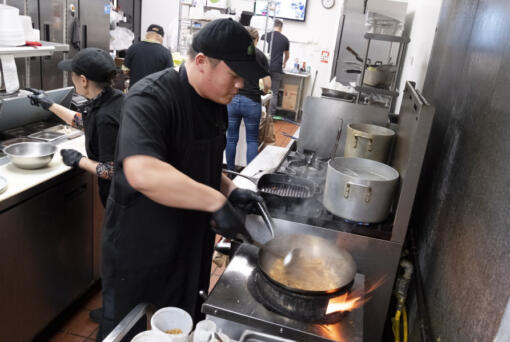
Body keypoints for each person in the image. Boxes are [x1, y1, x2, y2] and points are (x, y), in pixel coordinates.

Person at [96, 19, 268, 341]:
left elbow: (196, 163)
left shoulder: (215, 102)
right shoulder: (149, 98)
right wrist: (215, 201)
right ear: (202, 61)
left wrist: (230, 190)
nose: (241, 85)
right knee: (129, 329)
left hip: (188, 243)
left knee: (182, 324)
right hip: (142, 246)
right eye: (235, 75)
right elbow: (143, 171)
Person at [27, 47, 123, 208]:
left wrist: (79, 160)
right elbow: (86, 121)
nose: (72, 78)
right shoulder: (114, 97)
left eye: (72, 74)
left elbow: (111, 171)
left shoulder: (105, 117)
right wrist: (49, 104)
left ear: (83, 80)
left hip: (121, 201)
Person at [226, 26, 271, 170]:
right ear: (256, 40)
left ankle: (231, 172)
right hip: (251, 101)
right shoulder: (260, 56)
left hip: (232, 99)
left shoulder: (234, 53)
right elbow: (268, 84)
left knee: (231, 138)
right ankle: (248, 176)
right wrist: (263, 91)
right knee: (251, 140)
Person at [123, 24, 174, 88]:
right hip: (154, 93)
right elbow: (170, 76)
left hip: (135, 91)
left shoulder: (133, 48)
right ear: (162, 38)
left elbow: (125, 70)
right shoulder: (166, 53)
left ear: (146, 35)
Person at [261, 19, 290, 115]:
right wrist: (284, 63)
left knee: (261, 89)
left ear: (273, 26)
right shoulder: (285, 39)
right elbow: (287, 55)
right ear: (281, 27)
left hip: (264, 67)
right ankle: (270, 116)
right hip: (277, 68)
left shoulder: (265, 36)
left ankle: (261, 113)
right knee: (274, 93)